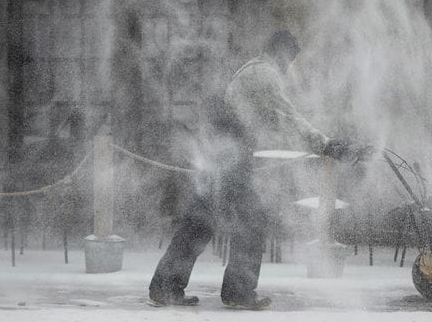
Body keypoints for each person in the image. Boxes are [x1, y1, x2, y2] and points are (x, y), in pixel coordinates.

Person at [148, 30, 367, 309]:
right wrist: (326, 144)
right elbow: (287, 117)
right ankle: (237, 293)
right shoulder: (264, 74)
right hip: (228, 158)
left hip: (218, 155)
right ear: (284, 53)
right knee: (249, 222)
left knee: (199, 223)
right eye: (292, 59)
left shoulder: (253, 70)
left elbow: (271, 120)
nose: (291, 66)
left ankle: (165, 288)